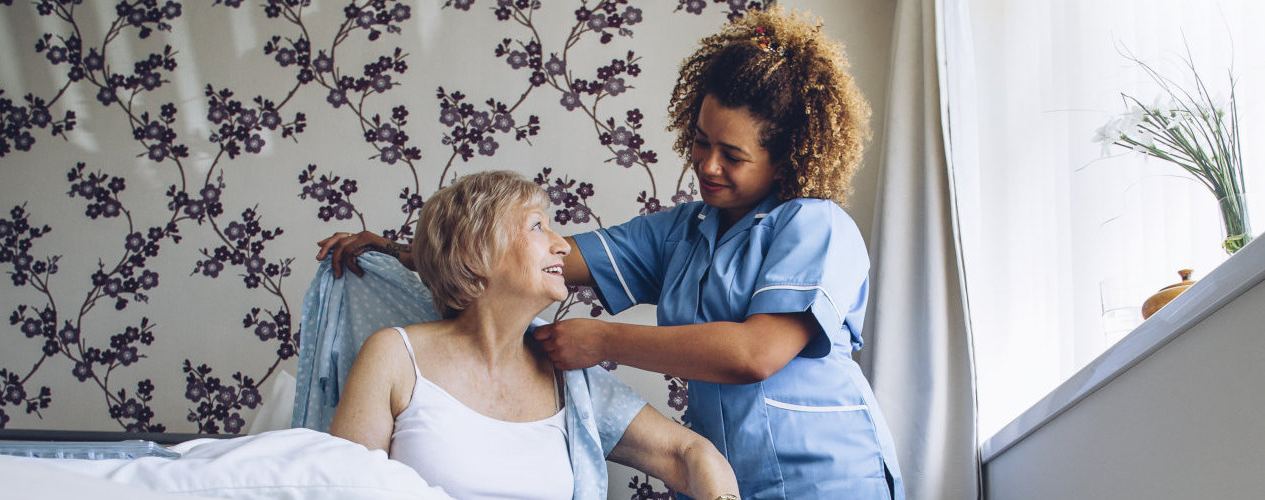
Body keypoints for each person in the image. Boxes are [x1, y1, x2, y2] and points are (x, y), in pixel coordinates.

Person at [318, 7, 902, 499]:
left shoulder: (816, 226)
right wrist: (403, 249)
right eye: (699, 142)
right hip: (734, 477)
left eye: (732, 154)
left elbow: (754, 353)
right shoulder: (681, 233)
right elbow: (518, 256)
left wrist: (603, 341)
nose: (707, 165)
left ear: (785, 157)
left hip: (827, 476)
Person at [321, 171, 740, 500]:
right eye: (538, 226)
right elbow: (340, 489)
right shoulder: (394, 356)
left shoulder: (568, 378)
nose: (561, 245)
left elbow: (687, 454)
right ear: (475, 252)